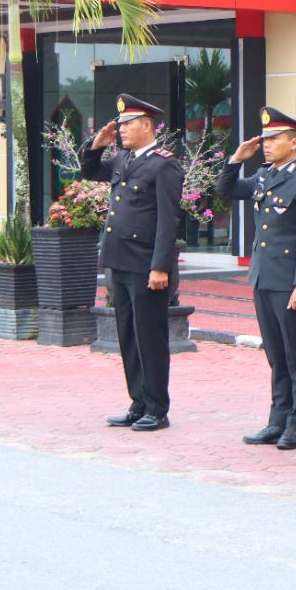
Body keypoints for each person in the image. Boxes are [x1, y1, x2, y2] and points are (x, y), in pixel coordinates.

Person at [216, 106, 296, 450]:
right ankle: (277, 420)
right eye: (265, 138)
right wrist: (236, 159)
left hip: (289, 281)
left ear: (294, 143)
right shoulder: (264, 176)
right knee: (276, 356)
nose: (266, 144)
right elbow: (226, 190)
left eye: (274, 138)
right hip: (263, 277)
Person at [81, 95, 184, 431]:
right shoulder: (124, 159)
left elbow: (168, 221)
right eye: (120, 124)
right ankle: (138, 401)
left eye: (127, 124)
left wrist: (160, 267)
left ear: (147, 126)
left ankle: (157, 407)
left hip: (145, 265)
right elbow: (90, 171)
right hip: (119, 261)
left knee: (149, 335)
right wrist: (96, 145)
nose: (122, 129)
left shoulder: (163, 163)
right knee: (127, 334)